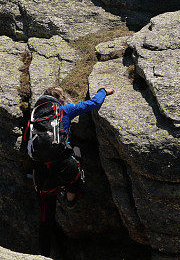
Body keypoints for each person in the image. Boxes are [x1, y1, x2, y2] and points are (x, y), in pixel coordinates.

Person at [24, 85, 114, 258]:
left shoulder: (33, 120)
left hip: (42, 174)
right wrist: (104, 90)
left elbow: (26, 150)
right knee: (77, 160)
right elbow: (93, 103)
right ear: (60, 100)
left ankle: (43, 254)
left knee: (45, 218)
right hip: (65, 166)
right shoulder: (65, 110)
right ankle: (70, 197)